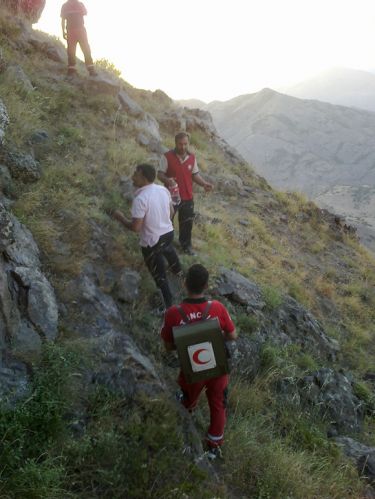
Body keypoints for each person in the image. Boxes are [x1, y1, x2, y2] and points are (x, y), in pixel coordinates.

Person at [160, 263, 237, 459]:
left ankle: (187, 416)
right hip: (217, 364)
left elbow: (169, 346)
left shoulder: (173, 314)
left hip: (192, 367)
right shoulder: (218, 308)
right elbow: (232, 334)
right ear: (206, 286)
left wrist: (188, 340)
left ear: (185, 284)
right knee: (218, 403)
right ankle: (213, 445)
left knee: (188, 397)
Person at [112, 163, 182, 309]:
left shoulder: (141, 199)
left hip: (152, 243)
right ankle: (178, 271)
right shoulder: (162, 189)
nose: (132, 177)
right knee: (168, 249)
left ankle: (169, 308)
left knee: (160, 276)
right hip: (168, 233)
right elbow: (171, 213)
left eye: (135, 174)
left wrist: (120, 217)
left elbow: (135, 228)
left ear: (143, 177)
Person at [158, 132, 213, 256]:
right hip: (170, 196)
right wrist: (167, 180)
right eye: (180, 144)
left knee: (187, 223)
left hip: (188, 196)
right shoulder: (166, 157)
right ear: (175, 143)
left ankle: (186, 246)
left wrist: (204, 184)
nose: (183, 147)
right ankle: (166, 246)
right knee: (167, 221)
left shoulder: (192, 158)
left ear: (188, 143)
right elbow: (160, 174)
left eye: (185, 144)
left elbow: (195, 174)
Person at [60, 0, 96, 76]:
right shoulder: (78, 4)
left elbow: (63, 20)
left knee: (78, 49)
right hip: (77, 30)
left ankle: (87, 69)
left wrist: (63, 31)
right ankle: (74, 69)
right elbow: (63, 20)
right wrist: (63, 31)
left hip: (74, 30)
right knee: (79, 49)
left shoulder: (66, 5)